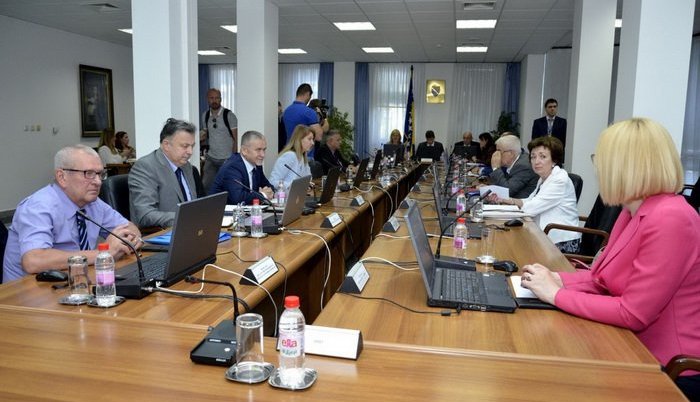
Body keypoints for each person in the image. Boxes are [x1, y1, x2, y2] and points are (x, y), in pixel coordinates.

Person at [520, 118, 700, 401]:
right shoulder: (632, 210)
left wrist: (555, 294)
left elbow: (634, 313)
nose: (598, 168)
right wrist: (557, 279)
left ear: (626, 166)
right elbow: (600, 280)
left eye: (601, 160)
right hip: (626, 345)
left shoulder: (671, 218)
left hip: (669, 371)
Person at [3, 145, 142, 282]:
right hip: (28, 290)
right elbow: (34, 261)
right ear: (62, 177)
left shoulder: (93, 203)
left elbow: (130, 229)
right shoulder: (38, 206)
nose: (98, 182)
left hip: (77, 281)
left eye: (100, 174)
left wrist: (129, 240)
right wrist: (103, 254)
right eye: (89, 173)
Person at [494, 137, 580, 252]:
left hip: (561, 242)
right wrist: (508, 200)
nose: (536, 161)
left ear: (554, 160)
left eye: (542, 157)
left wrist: (508, 208)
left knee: (511, 248)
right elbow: (529, 201)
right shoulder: (544, 178)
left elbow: (530, 209)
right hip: (544, 236)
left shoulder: (560, 180)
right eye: (533, 157)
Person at [129, 118, 199, 228]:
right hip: (160, 233)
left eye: (192, 146)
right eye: (185, 146)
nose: (190, 152)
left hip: (190, 230)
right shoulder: (145, 167)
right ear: (166, 145)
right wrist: (185, 218)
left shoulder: (186, 166)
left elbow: (193, 204)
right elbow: (145, 215)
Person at [210, 131, 274, 204]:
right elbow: (237, 198)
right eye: (258, 150)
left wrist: (269, 192)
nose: (263, 155)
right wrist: (263, 195)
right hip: (219, 210)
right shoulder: (232, 167)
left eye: (264, 150)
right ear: (244, 150)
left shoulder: (256, 165)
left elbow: (269, 187)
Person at [200, 88, 239, 192]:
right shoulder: (205, 115)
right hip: (211, 158)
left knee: (227, 187)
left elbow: (236, 138)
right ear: (207, 99)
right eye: (211, 98)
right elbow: (205, 134)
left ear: (221, 99)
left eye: (217, 98)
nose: (214, 100)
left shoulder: (229, 115)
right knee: (206, 186)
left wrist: (233, 158)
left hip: (226, 158)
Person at [282, 84, 328, 159]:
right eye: (310, 97)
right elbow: (318, 137)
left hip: (290, 153)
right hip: (305, 156)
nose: (309, 100)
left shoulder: (286, 111)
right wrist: (324, 121)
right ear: (307, 94)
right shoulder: (309, 112)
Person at [488, 134, 538, 198]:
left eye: (499, 151)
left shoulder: (523, 166)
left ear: (511, 153)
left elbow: (506, 191)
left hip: (522, 203)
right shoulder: (517, 161)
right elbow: (504, 183)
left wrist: (496, 168)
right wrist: (488, 188)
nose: (496, 155)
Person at [269, 125, 314, 190]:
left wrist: (308, 183)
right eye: (309, 139)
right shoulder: (289, 156)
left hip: (297, 194)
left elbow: (308, 178)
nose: (312, 143)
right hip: (283, 195)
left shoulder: (303, 156)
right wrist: (292, 185)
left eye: (312, 139)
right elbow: (272, 182)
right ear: (299, 139)